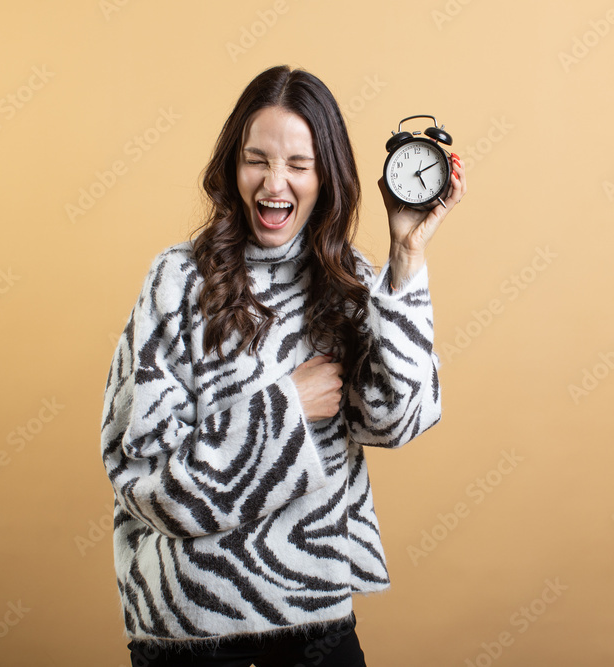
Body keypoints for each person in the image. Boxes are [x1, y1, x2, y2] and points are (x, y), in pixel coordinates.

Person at [100, 64, 467, 667]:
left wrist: (407, 255)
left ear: (328, 177)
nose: (276, 183)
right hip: (192, 630)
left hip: (316, 628)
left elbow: (396, 420)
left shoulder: (346, 280)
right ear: (231, 167)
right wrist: (286, 407)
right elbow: (144, 478)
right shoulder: (176, 281)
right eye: (257, 160)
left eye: (299, 164)